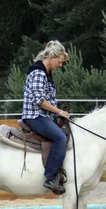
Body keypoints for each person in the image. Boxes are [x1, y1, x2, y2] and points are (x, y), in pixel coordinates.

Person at [22, 40, 70, 195]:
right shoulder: (38, 73)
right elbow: (39, 101)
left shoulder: (46, 73)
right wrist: (59, 112)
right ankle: (50, 177)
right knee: (60, 138)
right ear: (52, 57)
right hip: (35, 116)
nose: (60, 65)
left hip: (44, 116)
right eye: (60, 62)